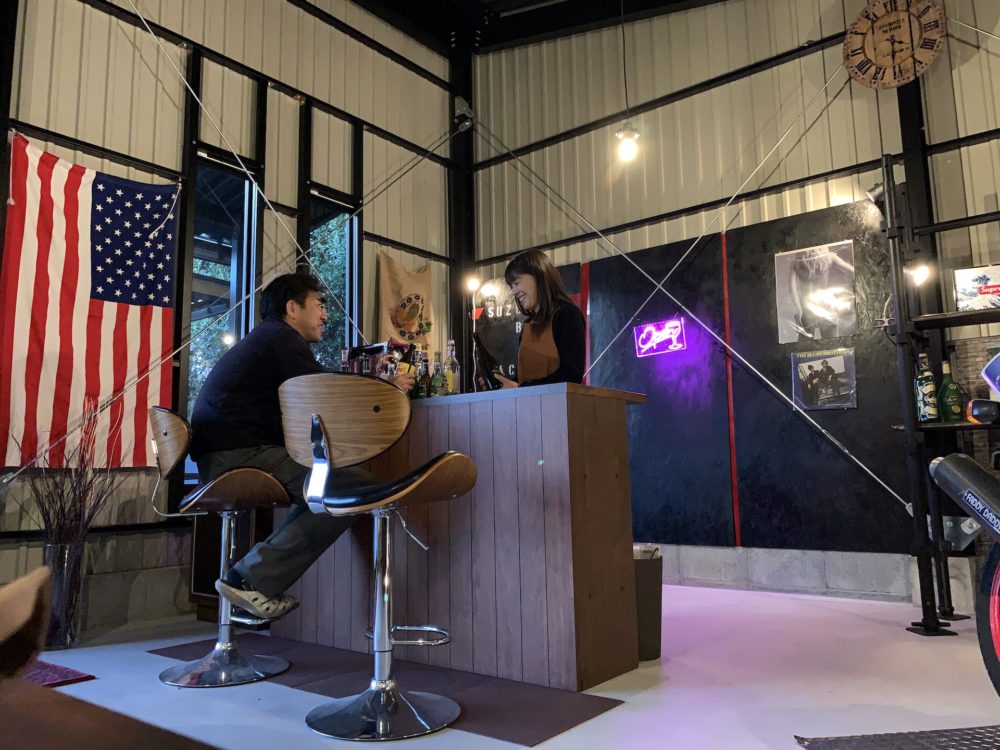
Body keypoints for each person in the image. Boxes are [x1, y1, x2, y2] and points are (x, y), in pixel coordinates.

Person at [189, 273, 415, 620]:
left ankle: (251, 578)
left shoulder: (268, 340)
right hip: (237, 455)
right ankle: (249, 579)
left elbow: (318, 392)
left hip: (224, 454)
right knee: (348, 489)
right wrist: (387, 388)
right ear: (292, 308)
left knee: (333, 487)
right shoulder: (280, 338)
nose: (325, 314)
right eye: (318, 304)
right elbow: (324, 394)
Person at [491, 250, 586, 388]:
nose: (513, 292)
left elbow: (571, 375)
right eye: (511, 287)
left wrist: (520, 388)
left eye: (516, 283)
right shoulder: (528, 324)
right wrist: (503, 383)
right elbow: (523, 379)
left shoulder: (567, 315)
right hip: (528, 402)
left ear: (538, 276)